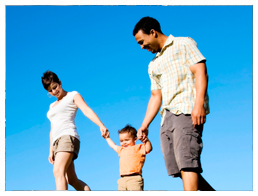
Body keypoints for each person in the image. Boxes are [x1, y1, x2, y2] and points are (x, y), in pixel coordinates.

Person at [133, 16, 215, 191]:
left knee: (188, 163)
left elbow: (200, 71)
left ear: (153, 32)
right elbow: (156, 95)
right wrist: (145, 124)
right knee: (178, 169)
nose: (142, 47)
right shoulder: (153, 64)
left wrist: (198, 104)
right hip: (166, 118)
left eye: (142, 41)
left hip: (186, 110)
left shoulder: (183, 43)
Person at [41, 70, 108, 190]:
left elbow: (86, 110)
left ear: (60, 82)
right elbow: (52, 129)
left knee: (57, 171)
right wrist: (51, 150)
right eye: (50, 90)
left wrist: (101, 125)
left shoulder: (72, 95)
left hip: (67, 137)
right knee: (71, 179)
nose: (54, 91)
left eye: (55, 87)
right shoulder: (52, 106)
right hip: (57, 142)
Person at [104, 124, 152, 191]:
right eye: (121, 141)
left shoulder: (138, 148)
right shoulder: (121, 150)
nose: (124, 143)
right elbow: (113, 145)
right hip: (122, 179)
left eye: (127, 140)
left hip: (134, 178)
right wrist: (107, 138)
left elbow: (148, 148)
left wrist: (146, 140)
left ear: (135, 139)